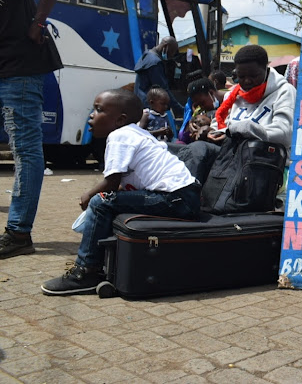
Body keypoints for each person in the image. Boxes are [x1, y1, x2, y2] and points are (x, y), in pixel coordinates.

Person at [40, 89, 200, 295]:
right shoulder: (137, 134)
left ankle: (86, 271)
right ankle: (103, 260)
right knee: (112, 201)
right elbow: (125, 183)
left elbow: (112, 181)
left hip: (176, 197)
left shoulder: (120, 135)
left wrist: (89, 195)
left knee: (101, 202)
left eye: (98, 110)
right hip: (185, 196)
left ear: (120, 119)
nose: (91, 115)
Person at [0, 0, 64, 259]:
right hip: (5, 65)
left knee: (25, 148)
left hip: (20, 64)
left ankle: (18, 233)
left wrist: (38, 24)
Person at [179, 45, 296, 183]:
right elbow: (219, 127)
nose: (246, 81)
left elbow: (284, 134)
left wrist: (236, 130)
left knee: (199, 150)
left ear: (266, 69)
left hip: (265, 164)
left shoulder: (284, 92)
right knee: (179, 150)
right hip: (231, 161)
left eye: (253, 76)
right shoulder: (233, 94)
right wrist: (209, 132)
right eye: (241, 76)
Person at [134, 36, 183, 115]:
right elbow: (163, 88)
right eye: (171, 52)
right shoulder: (155, 63)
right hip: (149, 105)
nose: (171, 56)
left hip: (140, 101)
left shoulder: (148, 54)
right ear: (166, 46)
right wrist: (179, 108)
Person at [177, 77, 219, 143]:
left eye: (202, 103)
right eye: (198, 105)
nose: (201, 107)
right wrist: (191, 123)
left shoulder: (231, 103)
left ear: (211, 93)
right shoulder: (201, 111)